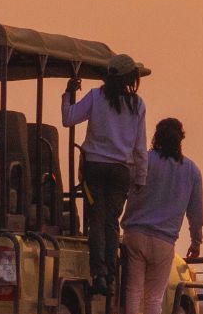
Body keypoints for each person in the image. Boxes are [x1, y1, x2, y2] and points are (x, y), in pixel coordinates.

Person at [61, 53, 149, 295]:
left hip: (94, 169)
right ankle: (110, 275)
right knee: (111, 222)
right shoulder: (137, 105)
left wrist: (68, 93)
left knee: (96, 219)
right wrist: (140, 177)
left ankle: (98, 273)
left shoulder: (95, 97)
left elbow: (68, 119)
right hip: (121, 171)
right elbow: (140, 147)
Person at [121, 117, 203, 314]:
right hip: (164, 240)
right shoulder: (191, 171)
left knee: (133, 291)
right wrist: (196, 241)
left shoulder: (143, 162)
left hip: (134, 234)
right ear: (181, 139)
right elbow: (196, 213)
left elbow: (124, 188)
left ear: (156, 137)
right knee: (155, 296)